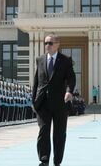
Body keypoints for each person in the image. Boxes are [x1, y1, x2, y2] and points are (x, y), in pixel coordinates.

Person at [32, 34, 76, 166]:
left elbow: (71, 79)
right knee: (43, 131)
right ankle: (44, 159)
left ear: (57, 44)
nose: (47, 46)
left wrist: (69, 92)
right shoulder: (40, 59)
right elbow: (36, 81)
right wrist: (33, 100)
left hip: (60, 103)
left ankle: (57, 161)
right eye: (45, 43)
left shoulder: (65, 60)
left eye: (50, 43)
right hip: (43, 102)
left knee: (59, 134)